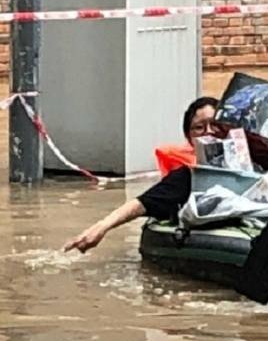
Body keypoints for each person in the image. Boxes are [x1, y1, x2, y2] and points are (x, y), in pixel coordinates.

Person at [63, 97, 221, 254]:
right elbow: (143, 202)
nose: (209, 132)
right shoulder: (188, 176)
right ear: (189, 138)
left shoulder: (245, 160)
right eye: (199, 127)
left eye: (215, 124)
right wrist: (101, 227)